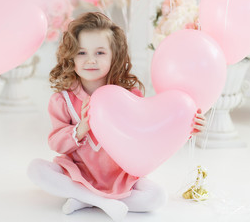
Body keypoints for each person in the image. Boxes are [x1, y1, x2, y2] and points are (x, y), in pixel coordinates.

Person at [27, 12, 205, 221]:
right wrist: (82, 127)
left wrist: (184, 127)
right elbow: (57, 144)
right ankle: (97, 200)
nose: (90, 60)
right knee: (36, 169)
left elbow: (149, 136)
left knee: (157, 197)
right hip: (78, 174)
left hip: (121, 177)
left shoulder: (130, 97)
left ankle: (84, 200)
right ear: (71, 57)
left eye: (100, 52)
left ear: (114, 55)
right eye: (82, 52)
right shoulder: (62, 100)